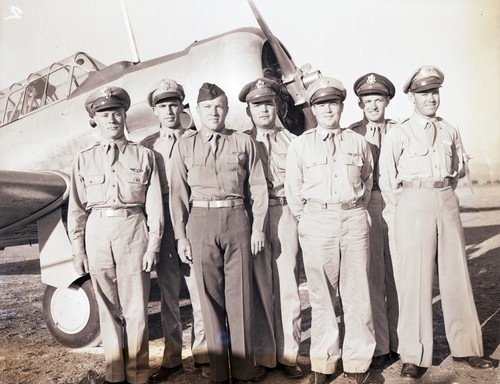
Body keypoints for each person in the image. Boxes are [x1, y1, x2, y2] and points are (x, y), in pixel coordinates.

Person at [379, 65, 493, 379]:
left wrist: (442, 194)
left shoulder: (449, 129)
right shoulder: (398, 133)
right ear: (411, 97)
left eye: (434, 92)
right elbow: (387, 180)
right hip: (413, 203)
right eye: (424, 93)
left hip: (445, 198)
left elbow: (456, 169)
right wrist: (404, 210)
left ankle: (467, 348)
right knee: (415, 279)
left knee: (456, 274)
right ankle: (414, 355)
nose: (431, 98)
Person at [169, 83, 268, 384]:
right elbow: (177, 195)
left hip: (237, 219)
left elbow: (259, 188)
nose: (214, 112)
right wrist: (181, 237)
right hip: (200, 222)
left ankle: (243, 370)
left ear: (227, 110)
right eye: (207, 108)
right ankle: (219, 373)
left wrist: (258, 228)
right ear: (197, 112)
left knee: (239, 298)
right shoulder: (184, 147)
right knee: (210, 302)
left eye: (219, 107)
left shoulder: (243, 143)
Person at [68, 86, 163, 384]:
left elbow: (155, 205)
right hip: (97, 233)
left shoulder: (145, 156)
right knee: (107, 307)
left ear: (124, 115)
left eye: (116, 113)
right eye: (104, 114)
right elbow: (77, 209)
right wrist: (78, 249)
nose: (111, 119)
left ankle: (137, 374)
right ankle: (115, 373)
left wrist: (153, 246)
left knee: (136, 308)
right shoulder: (82, 160)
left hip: (133, 230)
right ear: (95, 120)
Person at [285, 77, 375, 384]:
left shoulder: (358, 142)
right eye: (321, 104)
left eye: (333, 103)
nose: (328, 109)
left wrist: (352, 210)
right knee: (322, 297)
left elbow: (367, 181)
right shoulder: (300, 145)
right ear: (313, 108)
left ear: (341, 106)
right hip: (317, 222)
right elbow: (293, 191)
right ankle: (323, 363)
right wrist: (308, 221)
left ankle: (357, 361)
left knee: (357, 294)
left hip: (353, 219)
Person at [140, 79, 209, 383]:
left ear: (182, 106)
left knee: (198, 289)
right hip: (164, 221)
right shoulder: (147, 146)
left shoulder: (197, 138)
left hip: (193, 217)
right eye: (162, 106)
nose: (169, 111)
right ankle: (172, 357)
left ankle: (205, 353)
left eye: (173, 104)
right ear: (154, 111)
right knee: (169, 293)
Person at [239, 78, 304, 381]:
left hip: (285, 212)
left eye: (268, 103)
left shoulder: (293, 141)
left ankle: (289, 354)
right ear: (248, 110)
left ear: (276, 105)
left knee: (288, 285)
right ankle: (265, 356)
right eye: (256, 104)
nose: (263, 109)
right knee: (260, 287)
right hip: (254, 219)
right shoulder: (240, 142)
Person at [348, 73, 399, 369]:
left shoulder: (399, 130)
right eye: (367, 101)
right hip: (368, 203)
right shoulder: (353, 133)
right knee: (372, 275)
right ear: (360, 104)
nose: (373, 106)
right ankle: (380, 345)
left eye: (378, 100)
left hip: (396, 202)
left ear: (387, 101)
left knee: (397, 274)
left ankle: (400, 341)